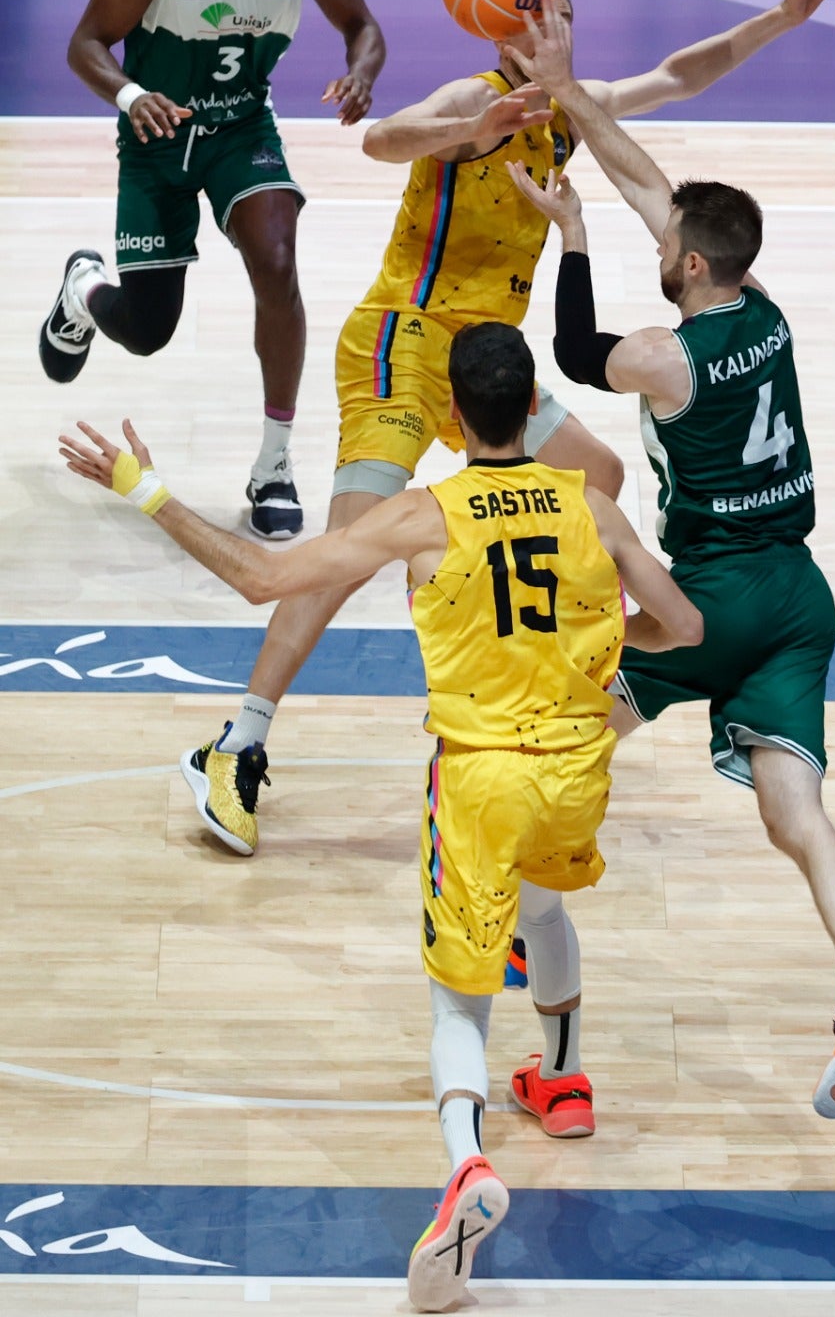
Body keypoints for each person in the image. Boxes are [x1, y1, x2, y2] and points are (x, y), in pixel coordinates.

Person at [58, 321, 704, 1313]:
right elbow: (684, 626)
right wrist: (606, 647)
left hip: (482, 776)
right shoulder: (594, 507)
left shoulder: (421, 515)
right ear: (533, 407)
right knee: (544, 909)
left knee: (458, 994)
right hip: (576, 766)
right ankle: (564, 1082)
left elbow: (261, 578)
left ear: (451, 416)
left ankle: (463, 1164)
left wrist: (143, 489)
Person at [180, 0, 835, 857]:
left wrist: (781, 17)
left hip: (489, 360)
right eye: (546, 12)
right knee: (343, 555)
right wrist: (467, 135)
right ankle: (237, 741)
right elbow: (382, 138)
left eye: (566, 13)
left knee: (602, 477)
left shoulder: (571, 111)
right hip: (403, 344)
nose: (562, 27)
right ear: (510, 26)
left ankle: (550, 635)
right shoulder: (476, 99)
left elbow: (679, 74)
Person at [501, 0, 835, 1123]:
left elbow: (577, 350)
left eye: (663, 244)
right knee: (795, 812)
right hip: (799, 595)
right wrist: (573, 89)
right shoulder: (765, 312)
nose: (658, 238)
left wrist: (569, 232)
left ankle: (531, 930)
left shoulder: (667, 359)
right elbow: (652, 183)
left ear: (683, 266)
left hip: (712, 596)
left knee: (569, 721)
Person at [38, 0, 386, 540]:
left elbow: (363, 26)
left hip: (239, 131)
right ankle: (82, 288)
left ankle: (274, 463)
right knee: (146, 331)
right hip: (158, 137)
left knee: (277, 260)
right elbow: (86, 44)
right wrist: (133, 96)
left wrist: (359, 75)